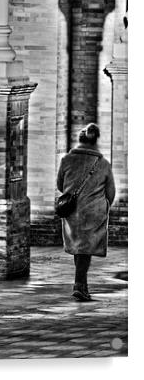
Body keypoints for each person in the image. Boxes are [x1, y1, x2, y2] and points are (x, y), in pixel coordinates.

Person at [57, 123, 116, 301]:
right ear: (96, 140)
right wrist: (103, 205)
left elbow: (60, 185)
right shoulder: (103, 164)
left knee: (79, 248)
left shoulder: (66, 160)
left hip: (72, 211)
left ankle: (81, 284)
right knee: (85, 249)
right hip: (93, 211)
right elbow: (110, 192)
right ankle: (80, 285)